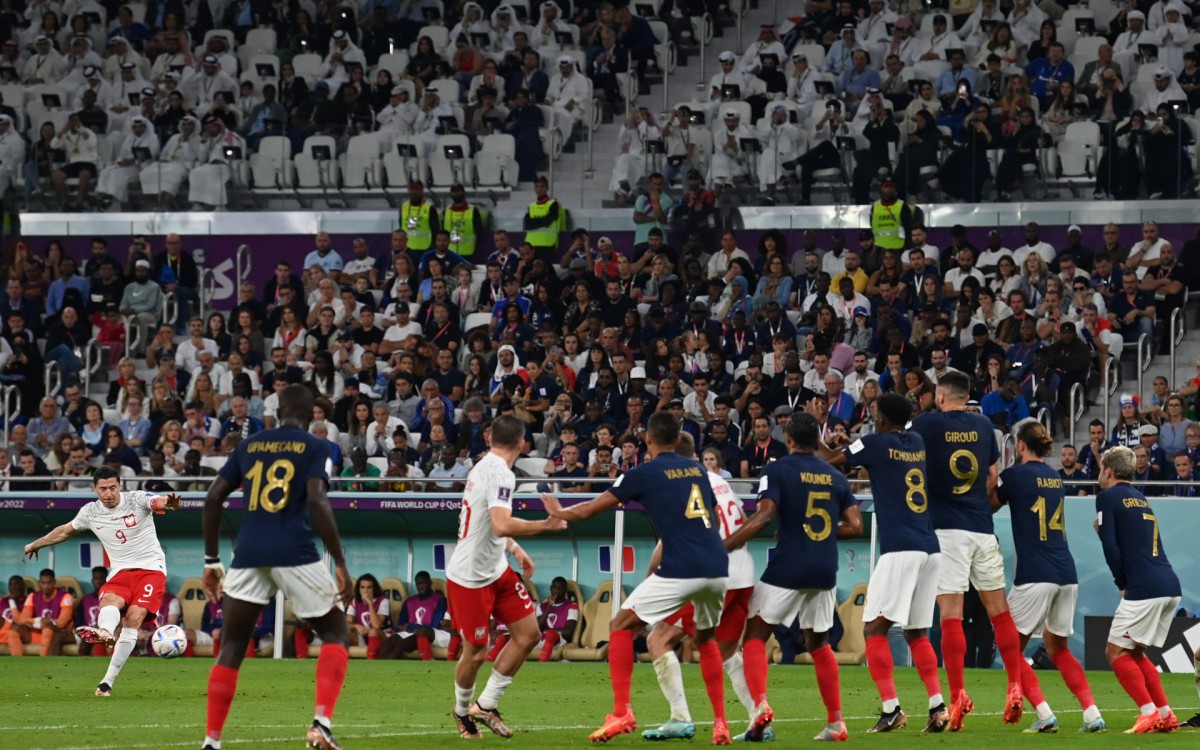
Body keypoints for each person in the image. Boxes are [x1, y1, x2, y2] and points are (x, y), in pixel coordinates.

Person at [542, 411, 731, 744]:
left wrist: (559, 512)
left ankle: (621, 712)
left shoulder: (644, 473)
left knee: (619, 626)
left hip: (682, 566)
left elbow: (588, 510)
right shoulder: (698, 470)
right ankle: (720, 724)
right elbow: (713, 519)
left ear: (648, 440)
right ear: (678, 438)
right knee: (707, 640)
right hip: (716, 565)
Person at [200, 385, 353, 750]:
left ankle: (211, 741)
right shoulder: (316, 446)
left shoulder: (248, 446)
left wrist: (211, 561)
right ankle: (321, 724)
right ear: (313, 412)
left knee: (232, 646)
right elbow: (316, 499)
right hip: (294, 549)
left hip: (248, 552)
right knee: (335, 633)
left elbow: (212, 498)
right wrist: (340, 562)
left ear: (278, 410)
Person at [725, 414, 862, 742]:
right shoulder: (835, 476)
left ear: (787, 439)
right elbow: (856, 526)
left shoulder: (777, 469)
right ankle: (836, 723)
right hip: (825, 569)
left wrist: (724, 547)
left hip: (789, 566)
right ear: (817, 439)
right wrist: (822, 535)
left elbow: (765, 515)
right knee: (819, 644)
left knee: (755, 637)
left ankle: (760, 707)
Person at [816, 393, 948, 733]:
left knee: (873, 628)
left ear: (883, 418)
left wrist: (818, 432)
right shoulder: (915, 440)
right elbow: (881, 453)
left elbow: (826, 460)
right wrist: (854, 444)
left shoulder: (874, 442)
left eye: (875, 413)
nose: (872, 417)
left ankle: (891, 709)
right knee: (918, 631)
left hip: (900, 547)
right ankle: (937, 707)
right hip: (930, 547)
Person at [908, 370, 1029, 728]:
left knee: (951, 616)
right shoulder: (985, 428)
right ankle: (1014, 686)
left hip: (947, 532)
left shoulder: (926, 424)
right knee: (1000, 613)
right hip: (982, 529)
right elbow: (992, 478)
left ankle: (959, 694)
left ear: (941, 396)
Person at [446, 414, 567, 740]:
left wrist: (514, 549)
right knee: (476, 651)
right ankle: (461, 712)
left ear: (490, 439)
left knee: (528, 635)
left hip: (496, 569)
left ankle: (486, 705)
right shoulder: (500, 473)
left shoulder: (484, 466)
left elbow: (490, 523)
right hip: (469, 577)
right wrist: (546, 524)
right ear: (522, 442)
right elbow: (500, 523)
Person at [640, 432, 758, 739]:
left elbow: (668, 540)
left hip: (712, 574)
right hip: (743, 573)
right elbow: (741, 518)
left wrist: (649, 581)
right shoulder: (719, 480)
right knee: (728, 651)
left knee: (658, 640)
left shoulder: (680, 482)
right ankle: (759, 717)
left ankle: (680, 716)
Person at [21, 468, 179, 690]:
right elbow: (64, 531)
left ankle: (107, 681)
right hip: (120, 572)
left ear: (120, 486)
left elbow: (158, 502)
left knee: (133, 618)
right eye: (103, 489)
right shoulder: (90, 512)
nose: (108, 493)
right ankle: (105, 631)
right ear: (94, 488)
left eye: (113, 487)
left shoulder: (136, 499)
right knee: (109, 601)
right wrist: (37, 543)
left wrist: (169, 503)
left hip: (151, 570)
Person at [995, 420, 1106, 733]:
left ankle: (1044, 714)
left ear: (1019, 445)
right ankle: (1091, 714)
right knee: (1058, 648)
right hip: (1065, 573)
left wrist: (992, 475)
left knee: (1010, 648)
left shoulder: (1014, 475)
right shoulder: (1055, 476)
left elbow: (988, 505)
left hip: (1035, 574)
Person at [1094, 446, 1182, 734]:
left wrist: (1122, 584)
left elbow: (1111, 547)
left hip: (1144, 587)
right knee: (1134, 652)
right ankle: (1166, 713)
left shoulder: (1106, 497)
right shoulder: (1140, 498)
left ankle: (1147, 713)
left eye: (1101, 467)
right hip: (1168, 583)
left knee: (1115, 652)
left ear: (1108, 470)